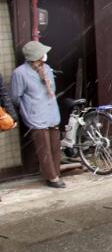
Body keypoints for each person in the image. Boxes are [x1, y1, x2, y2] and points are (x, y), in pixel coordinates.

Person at [10, 41, 64, 188]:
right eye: (42, 54)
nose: (44, 56)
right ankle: (51, 178)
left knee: (54, 145)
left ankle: (56, 173)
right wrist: (26, 109)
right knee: (44, 147)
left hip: (51, 112)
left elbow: (52, 88)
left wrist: (44, 77)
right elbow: (15, 96)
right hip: (35, 114)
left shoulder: (47, 68)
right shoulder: (20, 73)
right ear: (35, 57)